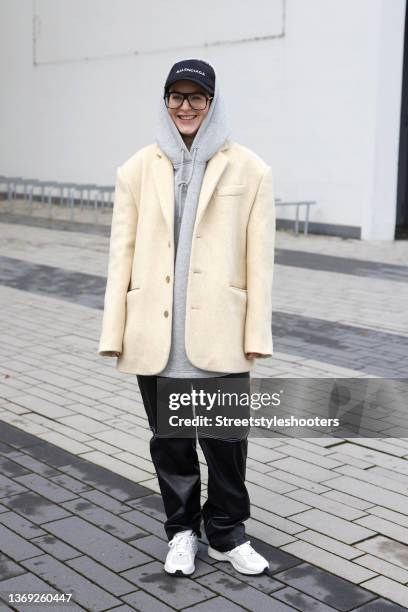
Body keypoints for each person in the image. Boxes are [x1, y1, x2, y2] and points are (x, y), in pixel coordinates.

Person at [98, 58, 275, 576]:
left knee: (225, 444)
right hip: (158, 332)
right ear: (165, 103)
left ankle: (226, 533)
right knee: (171, 443)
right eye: (176, 96)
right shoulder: (135, 169)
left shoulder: (251, 169)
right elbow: (120, 254)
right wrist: (114, 331)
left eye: (196, 97)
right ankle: (181, 532)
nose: (185, 106)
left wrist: (256, 332)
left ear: (212, 103)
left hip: (221, 329)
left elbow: (260, 262)